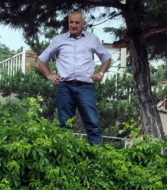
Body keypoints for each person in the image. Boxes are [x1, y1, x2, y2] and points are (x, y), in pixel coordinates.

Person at [35, 10, 112, 146]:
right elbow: (41, 60)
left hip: (85, 88)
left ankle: (99, 159)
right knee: (65, 125)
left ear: (83, 24)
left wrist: (100, 74)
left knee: (92, 124)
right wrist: (49, 75)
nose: (73, 25)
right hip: (64, 87)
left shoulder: (92, 39)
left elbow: (106, 58)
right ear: (68, 23)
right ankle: (66, 160)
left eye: (77, 22)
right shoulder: (59, 40)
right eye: (71, 22)